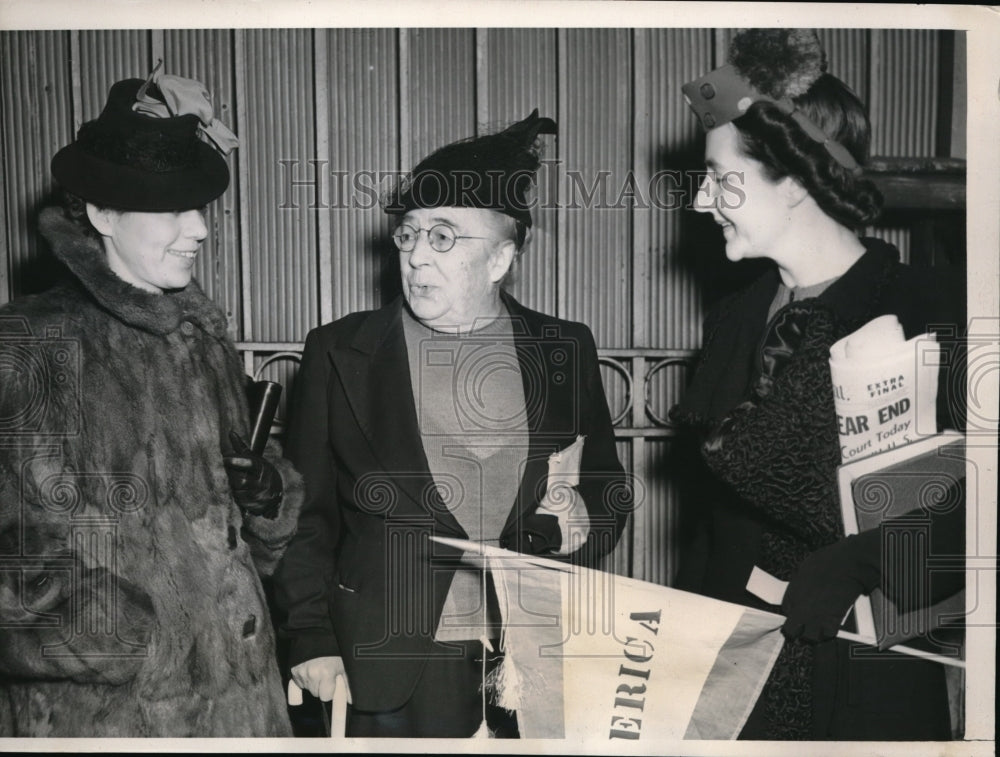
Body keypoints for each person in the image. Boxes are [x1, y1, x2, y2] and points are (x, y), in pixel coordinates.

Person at [275, 111, 631, 738]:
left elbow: (606, 494)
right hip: (386, 657)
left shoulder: (564, 348)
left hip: (533, 655)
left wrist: (562, 533)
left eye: (443, 238)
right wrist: (309, 637)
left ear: (501, 258)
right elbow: (305, 513)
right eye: (408, 235)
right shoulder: (340, 351)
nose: (414, 256)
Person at [671, 30, 965, 740]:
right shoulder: (736, 319)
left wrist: (872, 557)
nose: (702, 201)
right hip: (739, 666)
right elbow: (711, 531)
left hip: (870, 671)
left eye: (722, 178)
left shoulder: (930, 308)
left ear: (796, 180)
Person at [0, 70, 303, 736]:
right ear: (103, 215)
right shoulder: (30, 344)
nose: (198, 228)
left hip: (246, 705)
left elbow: (242, 517)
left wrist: (265, 494)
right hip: (114, 718)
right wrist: (135, 642)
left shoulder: (200, 336)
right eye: (170, 210)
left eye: (199, 207)